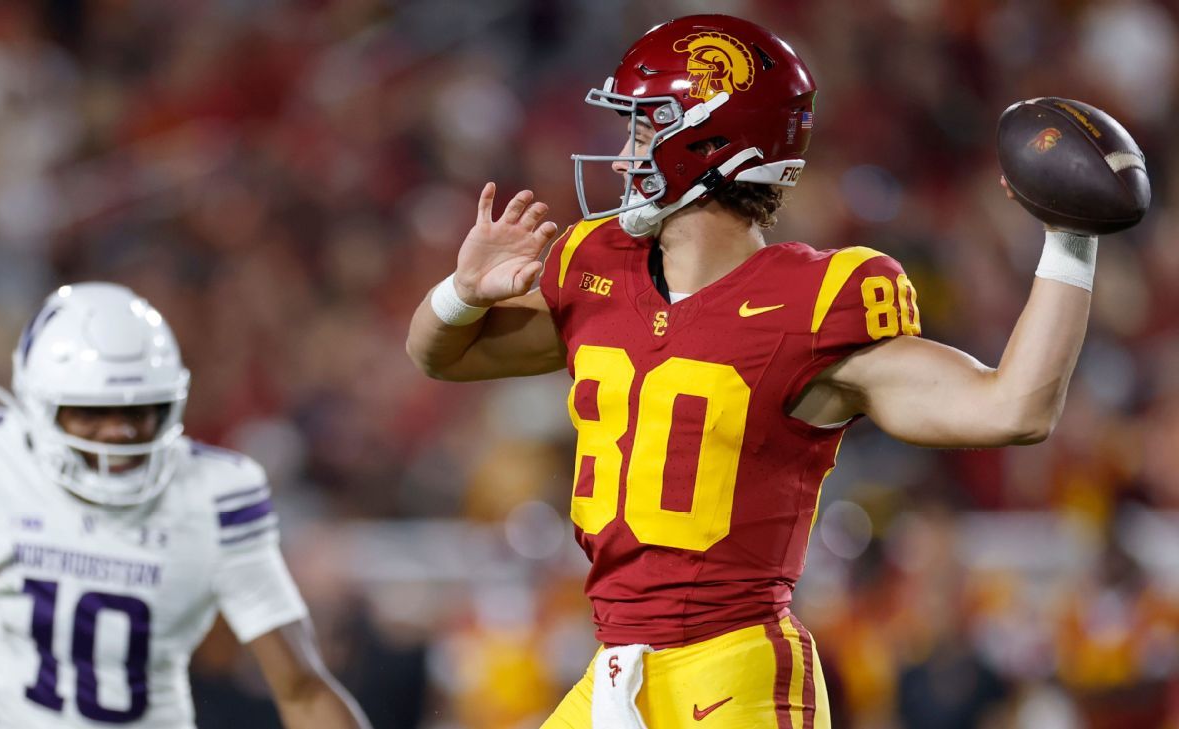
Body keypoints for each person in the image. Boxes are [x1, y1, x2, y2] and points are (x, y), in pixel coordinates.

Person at [406, 13, 1102, 729]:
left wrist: (1071, 239)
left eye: (643, 130)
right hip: (612, 666)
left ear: (706, 144)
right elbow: (439, 353)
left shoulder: (812, 301)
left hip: (733, 672)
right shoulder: (598, 270)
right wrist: (460, 293)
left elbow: (1014, 407)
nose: (620, 157)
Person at [0, 283, 370, 729]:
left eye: (139, 410)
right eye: (92, 413)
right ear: (36, 405)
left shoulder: (214, 494)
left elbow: (302, 687)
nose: (119, 432)